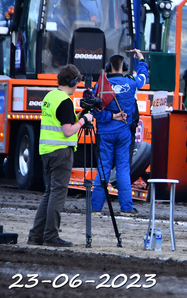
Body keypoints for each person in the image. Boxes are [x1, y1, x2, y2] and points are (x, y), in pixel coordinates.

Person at [27, 64, 94, 247]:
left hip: (47, 151)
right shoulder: (65, 101)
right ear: (73, 82)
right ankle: (51, 236)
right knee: (57, 194)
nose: (78, 85)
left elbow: (61, 121)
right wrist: (84, 120)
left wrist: (79, 116)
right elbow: (67, 130)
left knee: (49, 193)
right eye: (77, 82)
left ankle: (36, 235)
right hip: (60, 152)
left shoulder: (50, 96)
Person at [91, 50, 148, 215]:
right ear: (125, 67)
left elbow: (95, 112)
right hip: (124, 134)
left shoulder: (101, 86)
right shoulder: (132, 83)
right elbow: (143, 77)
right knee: (123, 169)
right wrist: (141, 60)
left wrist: (111, 116)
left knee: (103, 169)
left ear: (109, 67)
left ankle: (95, 208)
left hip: (105, 133)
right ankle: (126, 208)